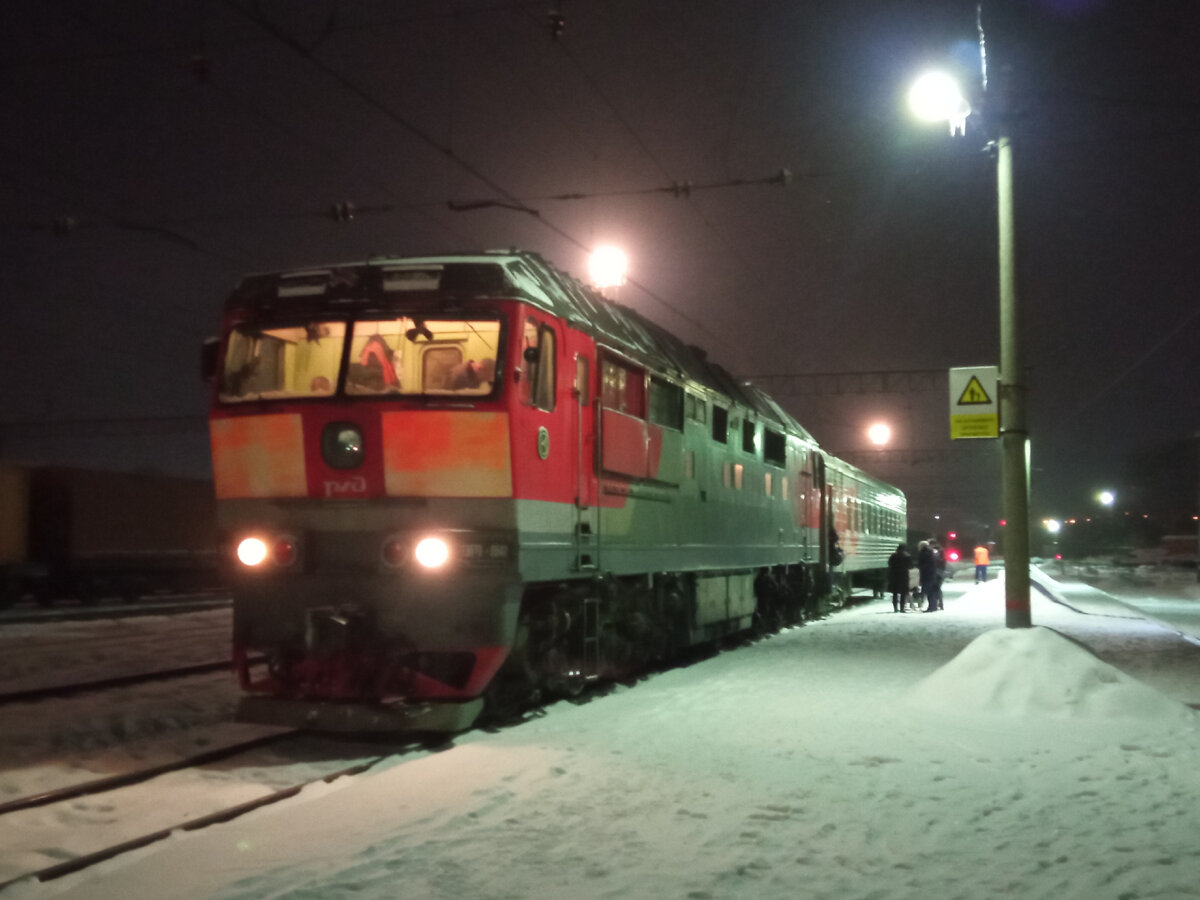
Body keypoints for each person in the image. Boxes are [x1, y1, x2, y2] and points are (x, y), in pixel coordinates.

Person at [887, 543, 912, 613]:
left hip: (894, 576)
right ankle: (902, 608)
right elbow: (910, 566)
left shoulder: (893, 556)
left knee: (895, 593)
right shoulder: (907, 556)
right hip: (904, 576)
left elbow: (889, 564)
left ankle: (895, 608)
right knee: (903, 593)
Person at [917, 540, 938, 612]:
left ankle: (931, 607)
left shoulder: (924, 553)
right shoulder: (931, 552)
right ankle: (933, 606)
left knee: (929, 592)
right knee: (931, 591)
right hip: (932, 574)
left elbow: (923, 564)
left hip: (927, 575)